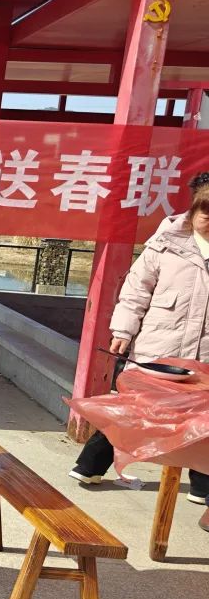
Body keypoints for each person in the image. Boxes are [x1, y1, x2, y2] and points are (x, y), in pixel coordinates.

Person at [70, 171, 209, 509]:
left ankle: (202, 484)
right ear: (193, 209)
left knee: (203, 419)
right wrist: (122, 331)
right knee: (136, 409)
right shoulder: (165, 243)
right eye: (207, 213)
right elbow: (135, 291)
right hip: (160, 346)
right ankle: (90, 466)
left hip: (204, 352)